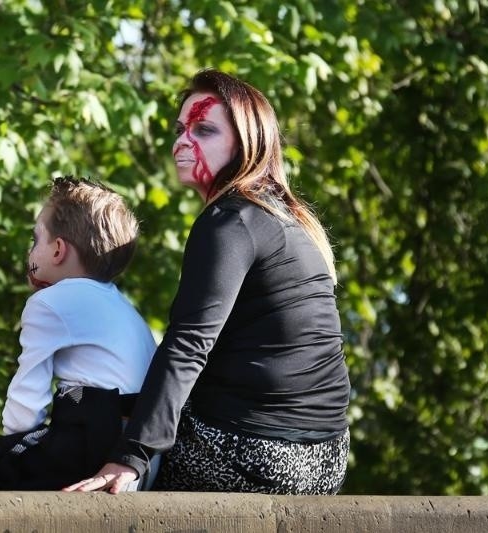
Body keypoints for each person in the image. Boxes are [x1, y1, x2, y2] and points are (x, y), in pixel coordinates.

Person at [64, 69, 350, 494]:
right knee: (115, 409)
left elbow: (188, 345)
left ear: (245, 143)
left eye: (204, 129)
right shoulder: (284, 217)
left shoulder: (231, 220)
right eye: (181, 129)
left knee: (81, 434)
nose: (183, 142)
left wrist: (130, 458)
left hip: (261, 456)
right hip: (327, 459)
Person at [0, 176, 157, 491]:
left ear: (58, 250)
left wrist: (4, 449)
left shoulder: (50, 302)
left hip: (87, 447)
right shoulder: (125, 308)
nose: (31, 251)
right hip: (136, 460)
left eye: (36, 240)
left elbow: (25, 407)